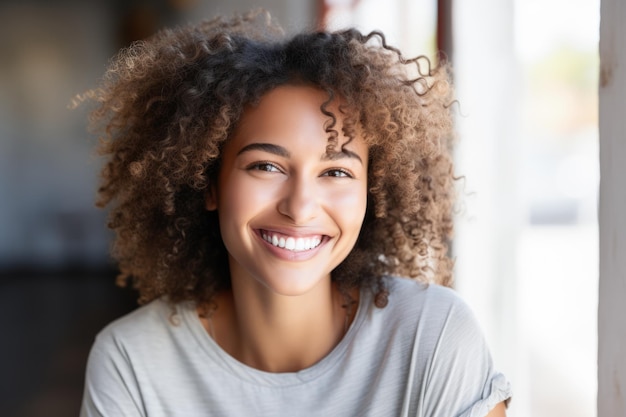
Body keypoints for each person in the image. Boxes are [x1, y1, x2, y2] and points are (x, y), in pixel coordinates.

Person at [78, 9, 512, 417]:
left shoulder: (433, 337)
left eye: (337, 171)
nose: (300, 207)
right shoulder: (132, 363)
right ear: (209, 182)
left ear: (371, 191)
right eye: (266, 166)